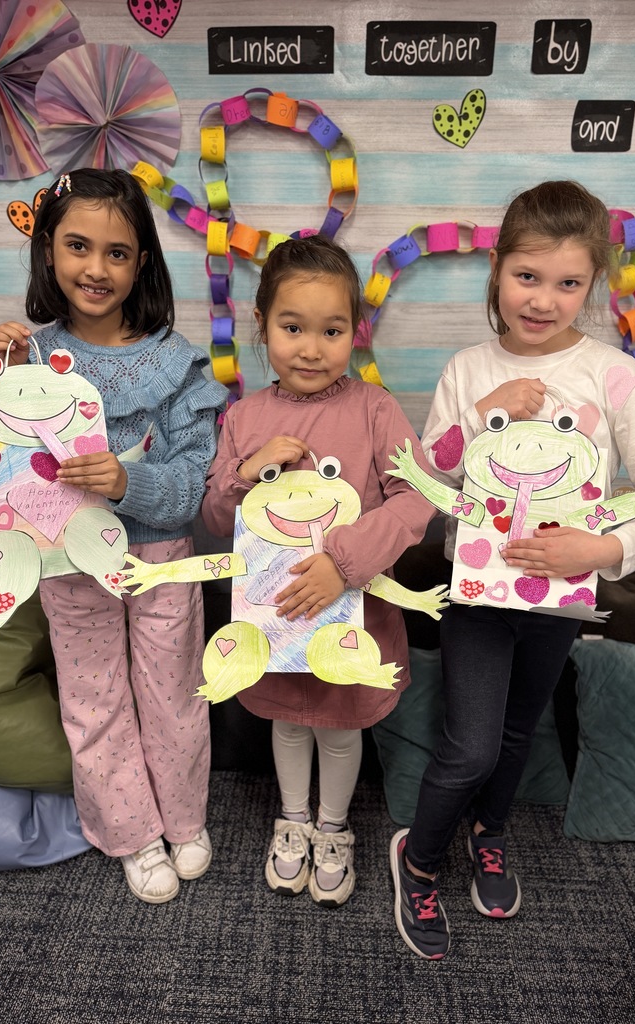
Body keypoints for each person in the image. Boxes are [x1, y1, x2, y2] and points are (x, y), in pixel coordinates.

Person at [390, 180, 635, 959]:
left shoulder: (616, 375)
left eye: (568, 283)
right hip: (480, 593)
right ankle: (419, 859)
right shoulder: (468, 367)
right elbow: (431, 481)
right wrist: (485, 409)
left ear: (594, 285)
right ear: (497, 270)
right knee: (472, 746)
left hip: (562, 596)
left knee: (518, 731)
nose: (544, 299)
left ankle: (490, 834)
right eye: (528, 277)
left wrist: (603, 551)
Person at [0, 168, 226, 904]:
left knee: (174, 690)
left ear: (142, 261)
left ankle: (183, 819)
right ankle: (130, 832)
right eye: (79, 247)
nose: (96, 268)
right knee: (94, 698)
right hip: (67, 560)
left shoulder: (177, 362)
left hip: (158, 555)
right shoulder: (29, 354)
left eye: (117, 253)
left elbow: (195, 482)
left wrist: (128, 485)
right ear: (48, 251)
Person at [201, 234, 437, 907]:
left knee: (337, 724)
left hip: (349, 610)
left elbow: (418, 498)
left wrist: (344, 562)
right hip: (275, 619)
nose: (312, 347)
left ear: (355, 332)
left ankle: (333, 829)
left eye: (331, 330)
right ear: (261, 324)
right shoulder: (244, 417)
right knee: (289, 720)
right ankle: (294, 820)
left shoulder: (374, 408)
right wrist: (247, 471)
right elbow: (219, 518)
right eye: (292, 327)